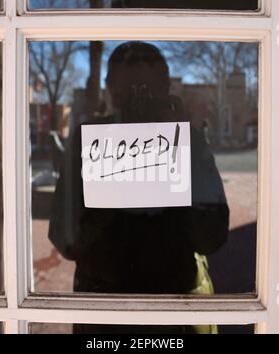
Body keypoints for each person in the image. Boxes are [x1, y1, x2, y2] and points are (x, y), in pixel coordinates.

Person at [48, 41, 229, 334]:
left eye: (146, 91)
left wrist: (185, 148)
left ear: (166, 90)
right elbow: (66, 237)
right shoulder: (91, 142)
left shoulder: (183, 140)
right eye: (130, 92)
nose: (138, 102)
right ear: (111, 91)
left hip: (163, 310)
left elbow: (212, 235)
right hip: (118, 314)